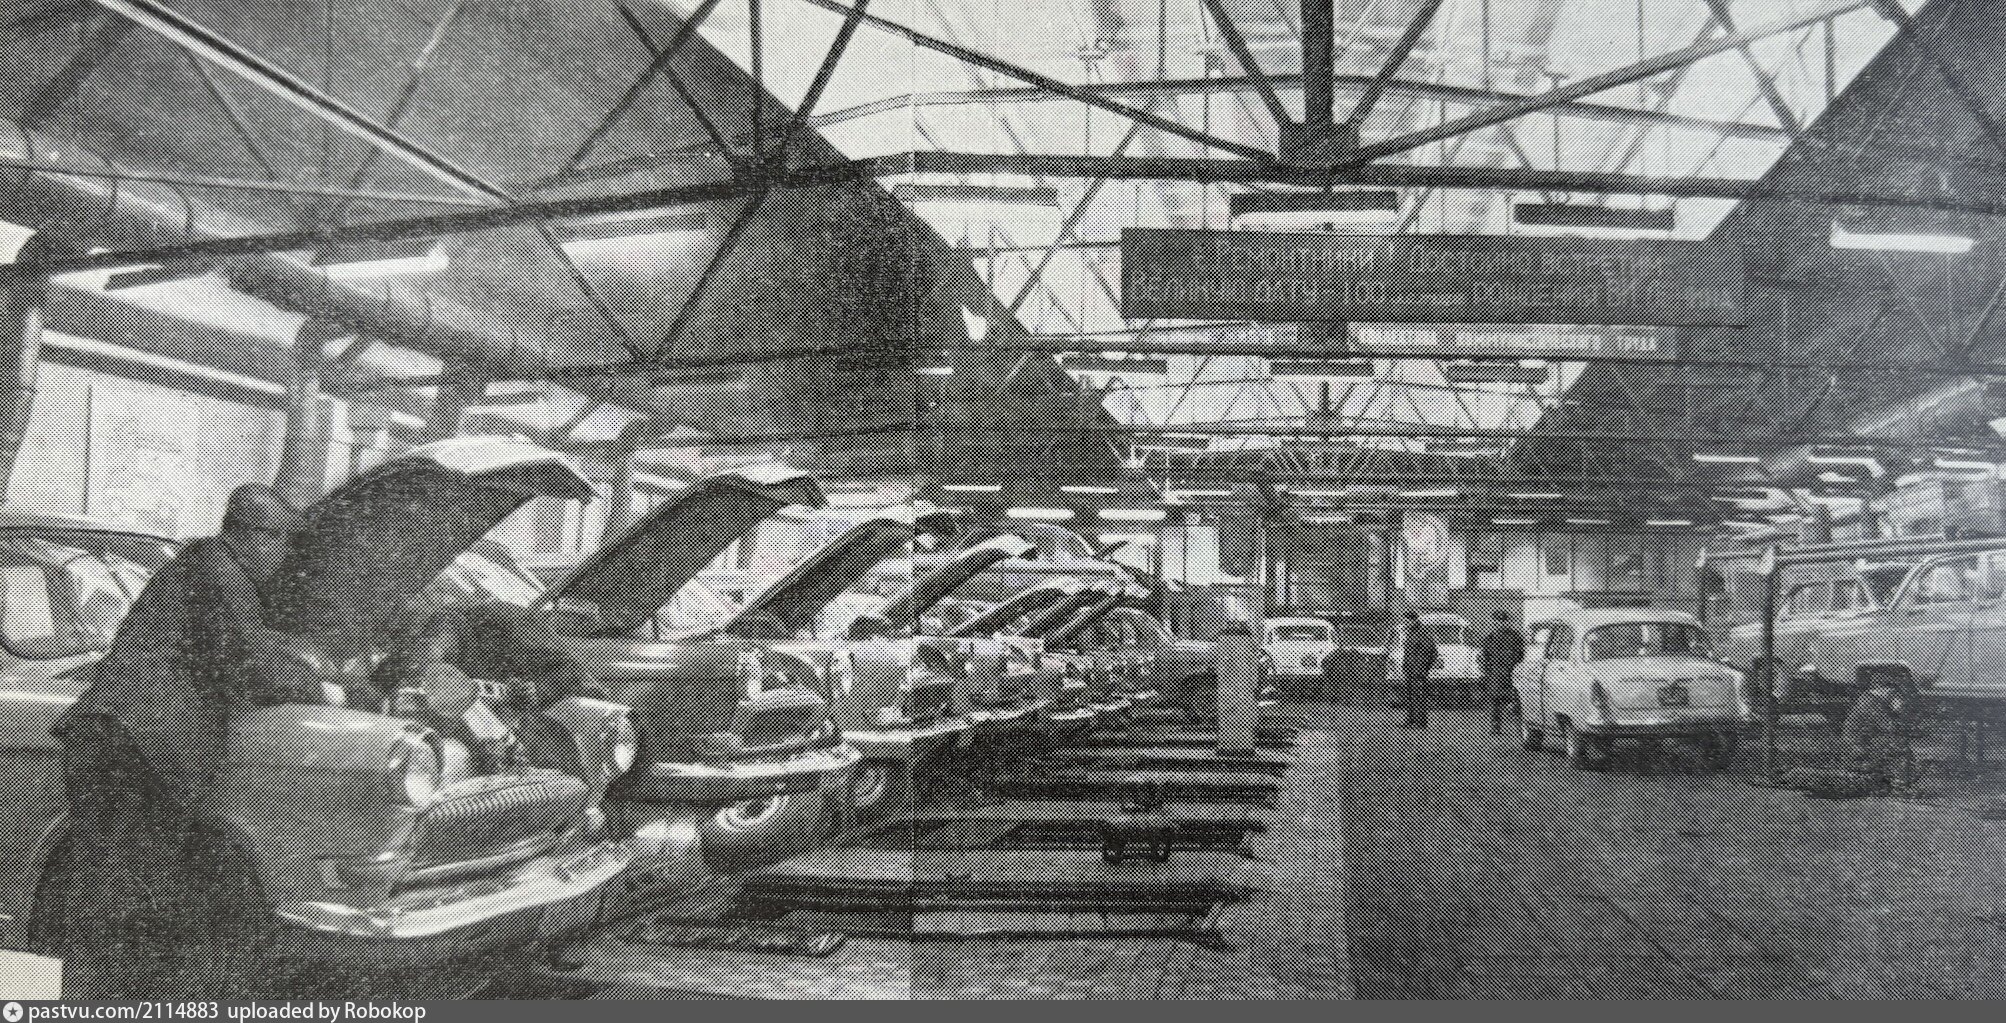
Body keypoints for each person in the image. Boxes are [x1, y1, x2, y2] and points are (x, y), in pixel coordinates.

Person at [44, 484, 314, 959]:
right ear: (252, 534)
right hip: (141, 739)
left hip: (120, 730)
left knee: (103, 876)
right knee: (119, 885)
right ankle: (68, 984)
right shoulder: (220, 573)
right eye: (282, 540)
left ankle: (57, 978)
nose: (285, 556)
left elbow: (236, 648)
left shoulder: (201, 564)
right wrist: (319, 686)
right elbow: (247, 658)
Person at [1842, 678, 1914, 796]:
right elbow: (1887, 725)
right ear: (1888, 691)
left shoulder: (1871, 699)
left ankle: (1888, 783)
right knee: (1899, 750)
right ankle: (1898, 785)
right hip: (1860, 742)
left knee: (1894, 748)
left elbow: (1889, 721)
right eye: (1897, 696)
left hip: (1861, 739)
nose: (1899, 700)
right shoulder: (1872, 702)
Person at [1480, 610, 1527, 736]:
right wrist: (1487, 671)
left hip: (1512, 672)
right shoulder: (1489, 638)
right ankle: (1496, 727)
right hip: (1495, 673)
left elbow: (1521, 654)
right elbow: (1485, 656)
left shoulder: (1515, 637)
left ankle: (1520, 728)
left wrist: (1516, 668)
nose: (1499, 624)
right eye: (1496, 622)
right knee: (1495, 700)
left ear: (1507, 622)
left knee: (1516, 699)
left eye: (1502, 621)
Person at [1400, 610, 1438, 729]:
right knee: (1410, 696)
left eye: (1406, 621)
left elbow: (1432, 652)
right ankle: (1411, 720)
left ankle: (1421, 722)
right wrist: (1406, 666)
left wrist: (1423, 667)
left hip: (1418, 671)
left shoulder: (1422, 632)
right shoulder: (1411, 633)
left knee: (1419, 696)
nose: (1405, 623)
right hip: (1410, 670)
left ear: (1413, 620)